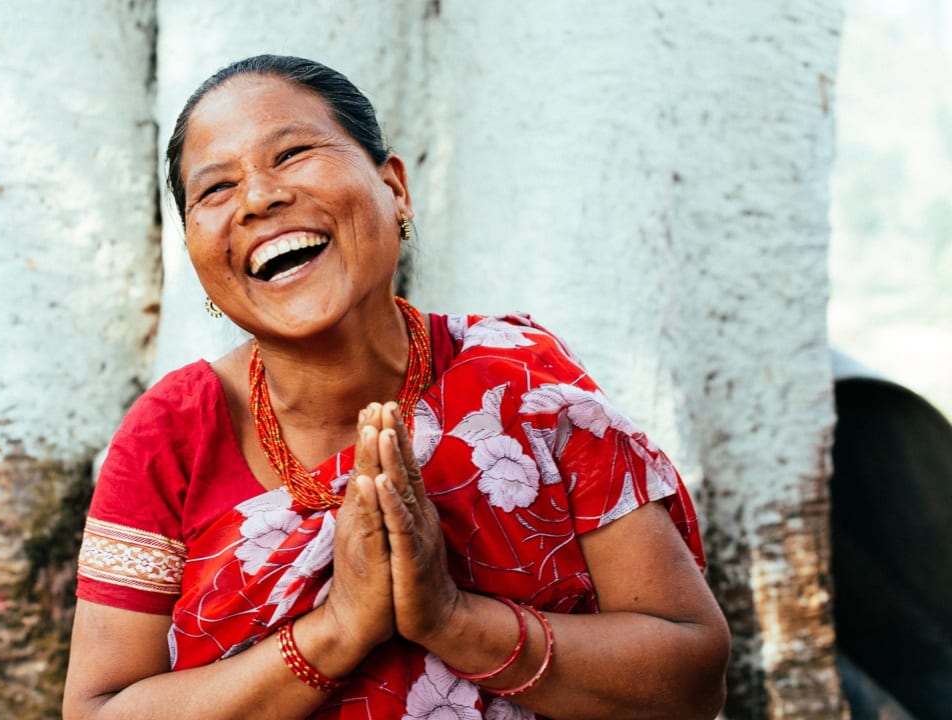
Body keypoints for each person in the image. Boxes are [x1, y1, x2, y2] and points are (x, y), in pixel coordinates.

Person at [62, 54, 730, 720]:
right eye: (215, 190)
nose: (259, 198)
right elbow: (99, 711)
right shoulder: (173, 434)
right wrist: (337, 630)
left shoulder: (523, 385)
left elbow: (691, 676)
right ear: (200, 259)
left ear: (396, 189)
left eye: (291, 153)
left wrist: (451, 618)